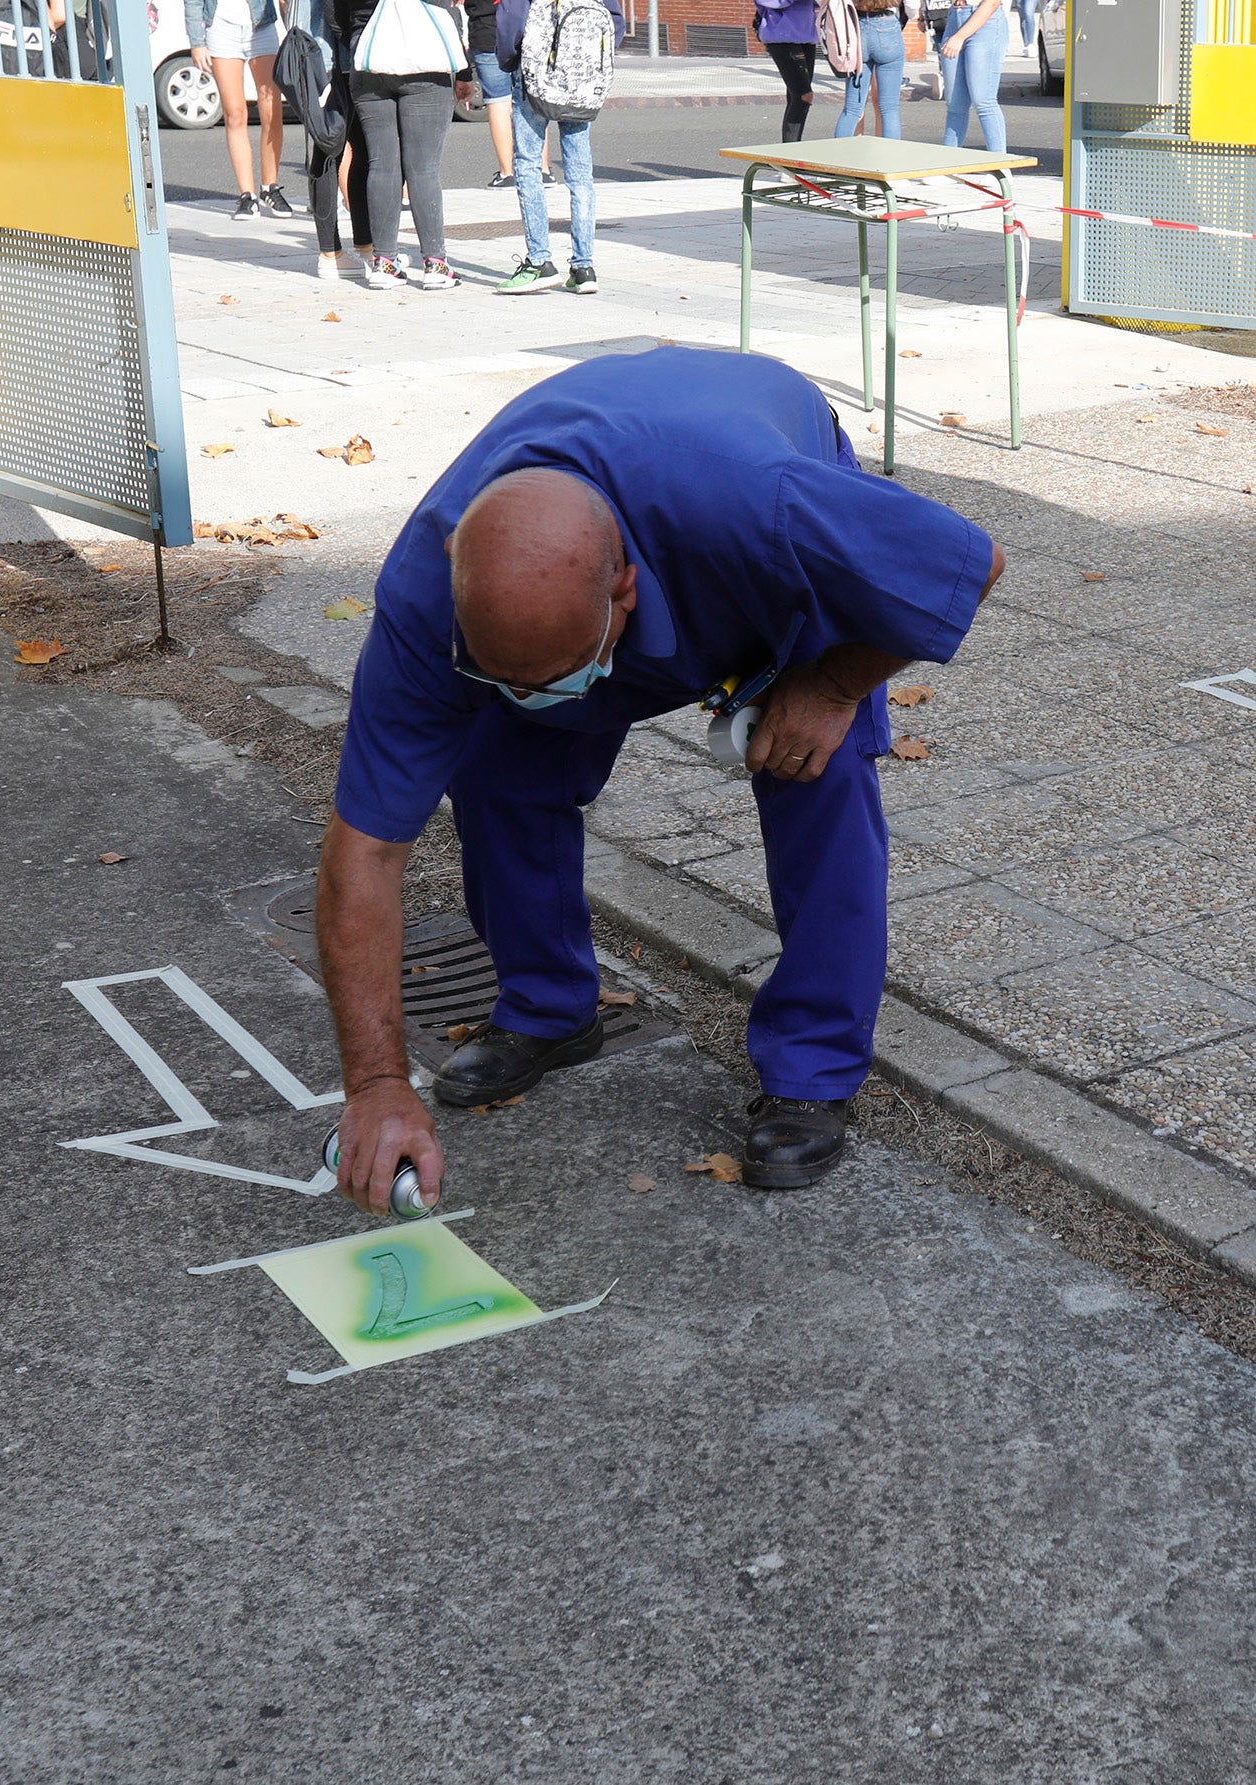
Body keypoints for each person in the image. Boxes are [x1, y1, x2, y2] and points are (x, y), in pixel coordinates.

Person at [315, 347, 1005, 1216]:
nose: (532, 694)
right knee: (496, 761)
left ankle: (812, 1072)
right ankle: (549, 1005)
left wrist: (831, 687)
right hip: (627, 526)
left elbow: (965, 563)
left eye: (558, 670)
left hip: (729, 518)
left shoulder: (769, 507)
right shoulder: (427, 598)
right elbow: (365, 853)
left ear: (625, 595)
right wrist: (376, 1082)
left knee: (812, 772)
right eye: (504, 673)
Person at [493, 0, 625, 296]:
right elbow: (616, 20)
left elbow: (512, 16)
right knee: (580, 176)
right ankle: (583, 267)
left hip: (537, 75)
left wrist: (511, 59)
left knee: (528, 163)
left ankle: (539, 262)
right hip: (582, 78)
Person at [337, 0, 471, 289]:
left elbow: (335, 17)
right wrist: (464, 72)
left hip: (369, 55)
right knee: (423, 169)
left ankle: (384, 262)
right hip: (424, 56)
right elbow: (447, 10)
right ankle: (435, 264)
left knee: (381, 164)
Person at [186, 0, 292, 220]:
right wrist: (197, 41)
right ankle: (247, 195)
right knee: (235, 114)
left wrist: (293, 28)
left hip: (261, 26)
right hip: (221, 28)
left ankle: (269, 187)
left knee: (272, 110)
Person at [307, 0, 373, 278]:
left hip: (325, 52)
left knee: (354, 148)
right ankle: (331, 253)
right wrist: (354, 37)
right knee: (334, 148)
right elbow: (334, 13)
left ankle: (363, 247)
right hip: (335, 54)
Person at [465, 0, 554, 189]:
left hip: (487, 32)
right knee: (533, 100)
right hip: (526, 30)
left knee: (497, 101)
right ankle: (542, 169)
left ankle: (507, 173)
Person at [835, 0, 914, 139]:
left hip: (857, 26)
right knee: (889, 108)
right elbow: (912, 9)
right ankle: (890, 157)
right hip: (887, 26)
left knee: (852, 109)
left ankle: (838, 156)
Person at [939, 0, 1008, 153]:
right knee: (955, 104)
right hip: (955, 17)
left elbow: (992, 3)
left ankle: (1000, 168)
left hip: (986, 21)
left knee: (983, 101)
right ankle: (949, 165)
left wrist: (960, 36)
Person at [753, 0, 818, 143]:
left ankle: (790, 151)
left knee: (796, 97)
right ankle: (790, 154)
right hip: (781, 35)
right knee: (803, 96)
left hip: (807, 34)